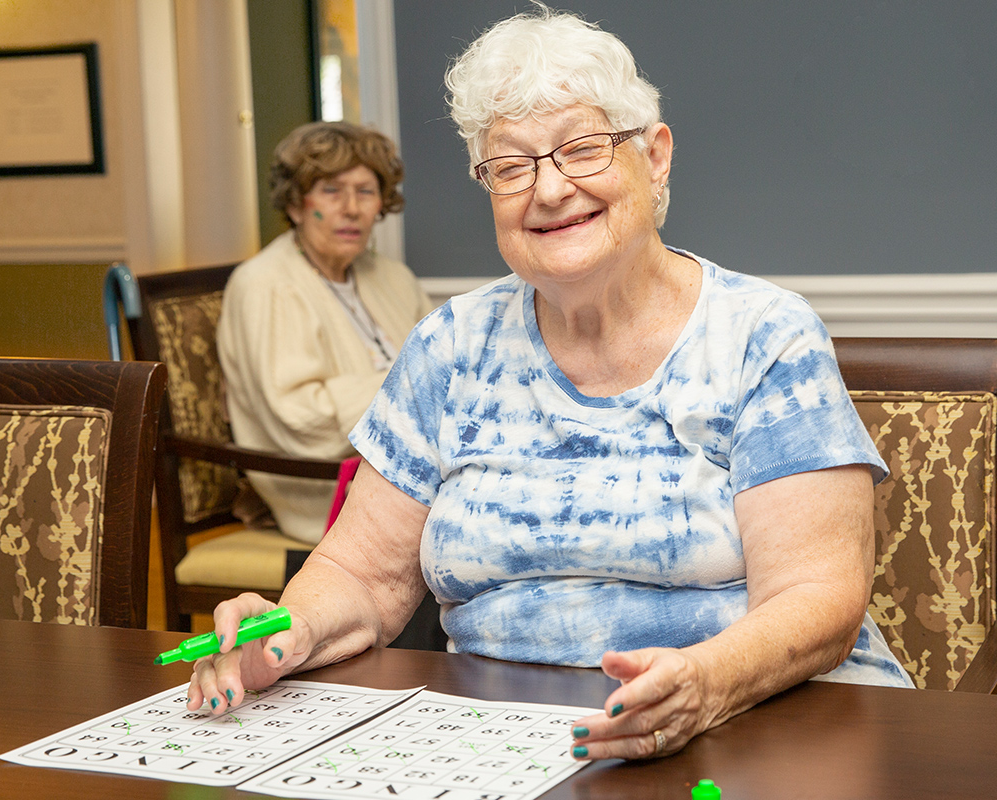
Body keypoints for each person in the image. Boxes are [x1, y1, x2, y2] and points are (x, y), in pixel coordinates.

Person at [190, 5, 913, 759]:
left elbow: (818, 598)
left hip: (764, 725)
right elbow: (359, 574)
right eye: (511, 165)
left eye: (583, 148)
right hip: (507, 740)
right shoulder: (450, 346)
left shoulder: (763, 336)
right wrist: (287, 631)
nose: (550, 189)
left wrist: (703, 682)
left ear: (655, 157)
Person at [217, 122, 433, 545]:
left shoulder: (391, 276)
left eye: (366, 191)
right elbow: (303, 421)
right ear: (297, 204)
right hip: (325, 489)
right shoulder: (266, 285)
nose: (351, 208)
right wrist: (412, 386)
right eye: (331, 191)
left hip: (407, 472)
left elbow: (445, 368)